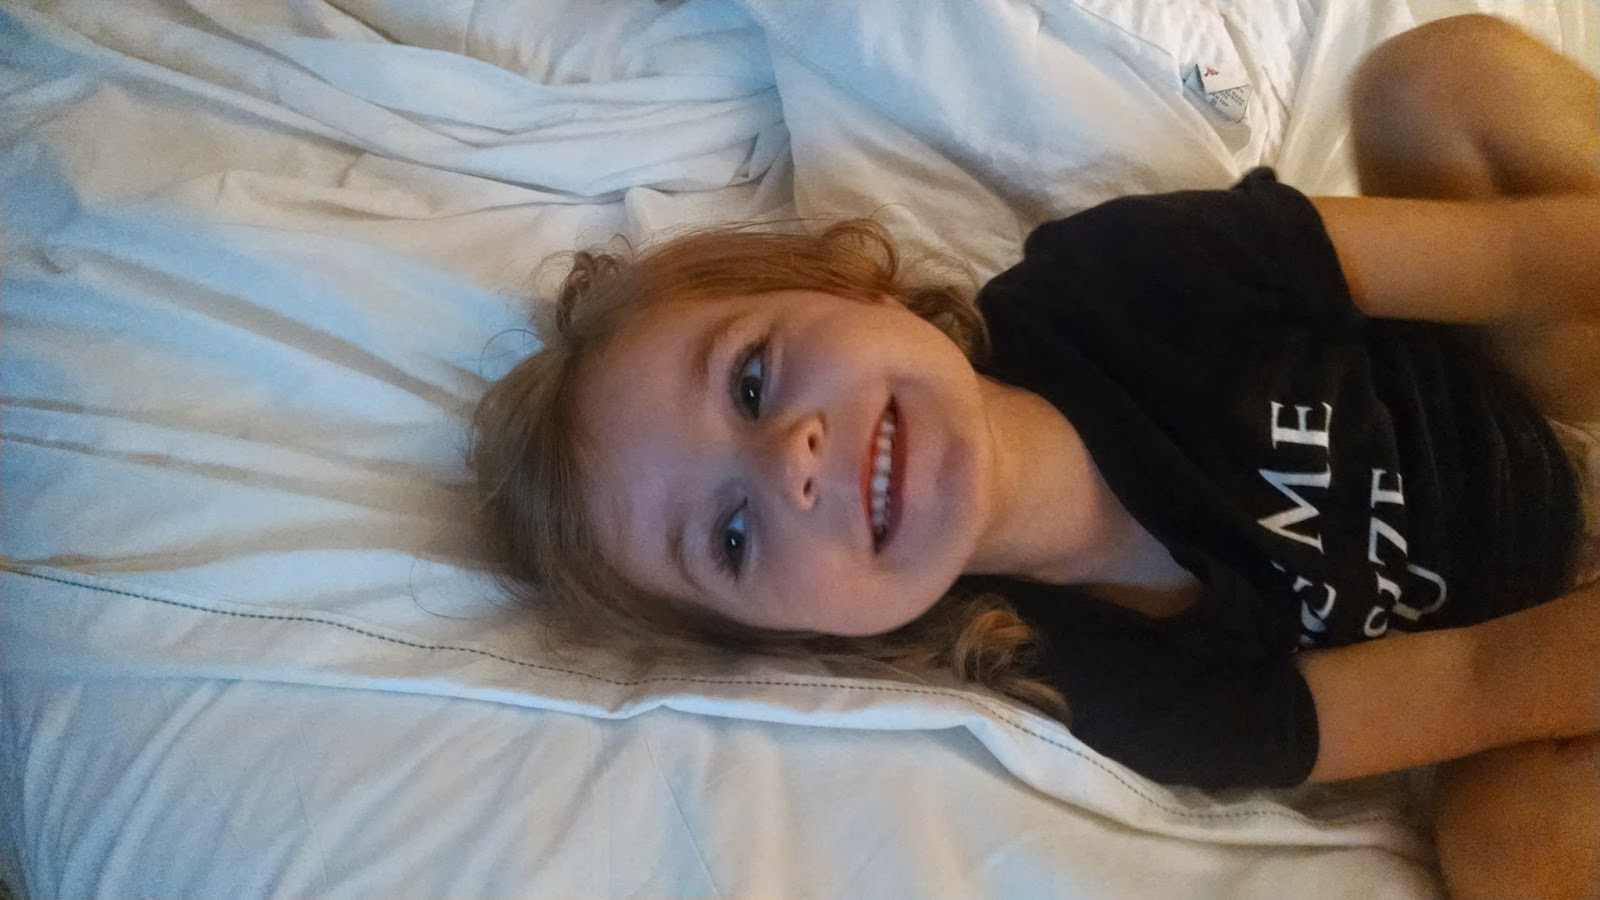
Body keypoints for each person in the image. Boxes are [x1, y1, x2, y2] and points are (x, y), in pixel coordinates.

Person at [470, 15, 1598, 899]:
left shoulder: (1128, 275)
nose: (789, 465)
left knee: (1429, 83)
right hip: (1539, 633)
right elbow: (1477, 681)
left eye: (752, 381)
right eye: (729, 537)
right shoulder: (1099, 686)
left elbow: (1515, 262)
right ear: (800, 634)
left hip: (1545, 381)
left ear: (847, 286)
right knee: (1507, 846)